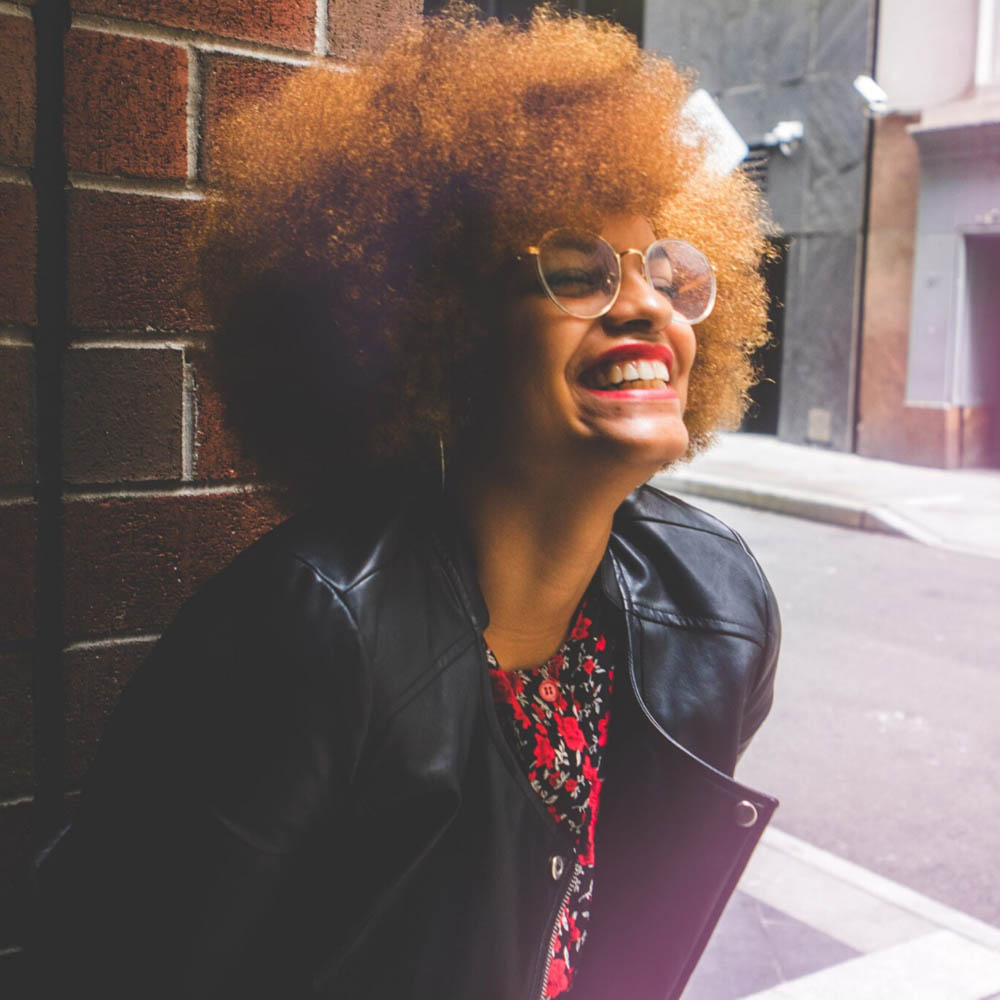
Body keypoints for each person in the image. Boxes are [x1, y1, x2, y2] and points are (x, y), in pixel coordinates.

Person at [34, 8, 780, 999]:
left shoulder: (717, 611)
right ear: (443, 335)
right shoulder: (305, 633)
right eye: (575, 271)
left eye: (668, 273)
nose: (644, 305)